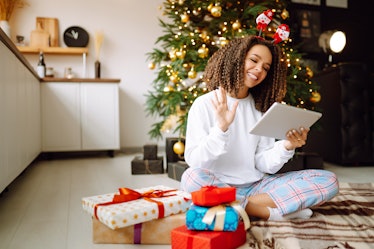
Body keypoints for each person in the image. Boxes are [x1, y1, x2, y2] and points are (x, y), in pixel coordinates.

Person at [180, 35, 339, 221]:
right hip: (215, 184)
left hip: (257, 186)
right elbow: (195, 161)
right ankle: (270, 213)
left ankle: (236, 205)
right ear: (237, 57)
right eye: (254, 60)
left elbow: (263, 164)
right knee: (191, 178)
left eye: (265, 68)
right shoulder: (204, 104)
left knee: (328, 181)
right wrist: (221, 129)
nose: (259, 70)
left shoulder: (260, 108)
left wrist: (287, 146)